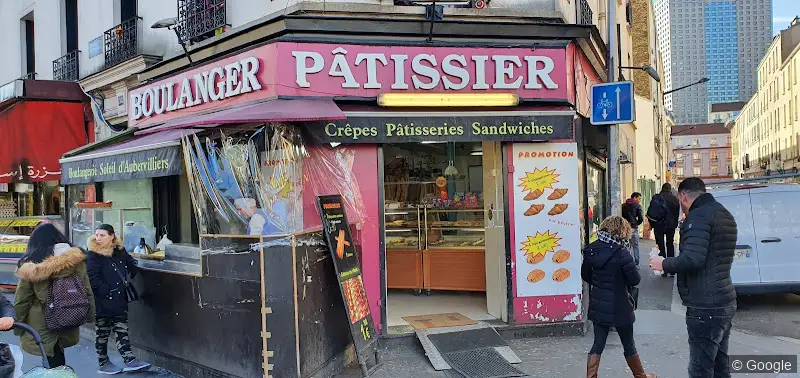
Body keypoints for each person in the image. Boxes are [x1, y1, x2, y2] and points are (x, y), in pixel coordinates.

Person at [650, 178, 737, 378]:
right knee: (719, 366)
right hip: (724, 299)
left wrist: (662, 263)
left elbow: (692, 259)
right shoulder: (724, 213)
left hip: (705, 304)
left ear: (683, 196)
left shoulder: (698, 217)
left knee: (700, 369)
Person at [582, 216, 655, 378]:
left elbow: (586, 275)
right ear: (622, 231)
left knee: (598, 343)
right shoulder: (622, 253)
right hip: (620, 304)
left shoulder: (591, 249)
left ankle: (591, 376)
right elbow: (635, 279)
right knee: (628, 343)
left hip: (599, 303)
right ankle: (640, 375)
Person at [13, 223, 95, 368]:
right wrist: (90, 315)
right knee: (58, 354)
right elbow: (86, 289)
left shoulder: (31, 264)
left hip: (42, 319)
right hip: (70, 312)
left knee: (50, 358)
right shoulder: (75, 259)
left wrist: (17, 325)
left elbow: (22, 300)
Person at [87, 224, 151, 374]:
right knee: (102, 332)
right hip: (102, 300)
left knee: (121, 329)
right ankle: (103, 362)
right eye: (96, 235)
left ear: (112, 236)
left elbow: (129, 263)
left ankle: (129, 360)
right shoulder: (93, 255)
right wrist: (106, 290)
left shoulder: (119, 251)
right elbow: (92, 277)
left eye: (102, 235)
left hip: (119, 298)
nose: (98, 238)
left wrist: (132, 270)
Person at [646, 183, 680, 276]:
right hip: (671, 226)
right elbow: (677, 214)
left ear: (662, 188)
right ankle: (672, 269)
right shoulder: (675, 199)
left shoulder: (657, 198)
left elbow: (651, 212)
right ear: (670, 189)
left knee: (661, 246)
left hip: (659, 225)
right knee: (670, 245)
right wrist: (675, 224)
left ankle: (663, 269)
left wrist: (652, 224)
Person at [621, 192, 644, 265]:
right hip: (634, 228)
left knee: (626, 245)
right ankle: (637, 262)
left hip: (625, 228)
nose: (639, 200)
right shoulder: (638, 206)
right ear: (634, 197)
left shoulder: (623, 206)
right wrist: (636, 223)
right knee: (635, 245)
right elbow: (641, 218)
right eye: (639, 198)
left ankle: (628, 261)